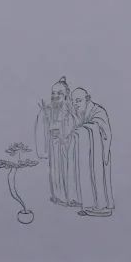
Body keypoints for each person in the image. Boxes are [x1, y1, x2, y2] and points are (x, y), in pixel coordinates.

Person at [34, 77, 79, 207]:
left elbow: (74, 126)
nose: (55, 96)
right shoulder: (48, 110)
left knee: (69, 171)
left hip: (67, 147)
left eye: (59, 93)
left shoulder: (70, 111)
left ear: (65, 96)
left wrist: (62, 133)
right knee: (56, 171)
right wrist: (45, 116)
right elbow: (44, 129)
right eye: (53, 93)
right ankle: (59, 197)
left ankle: (72, 198)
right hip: (55, 147)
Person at [69, 87, 114, 217]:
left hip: (99, 153)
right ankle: (88, 205)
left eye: (78, 100)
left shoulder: (98, 111)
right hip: (88, 153)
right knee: (86, 176)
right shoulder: (80, 112)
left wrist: (84, 128)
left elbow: (102, 129)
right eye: (73, 101)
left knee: (99, 178)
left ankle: (102, 207)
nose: (75, 104)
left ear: (87, 99)